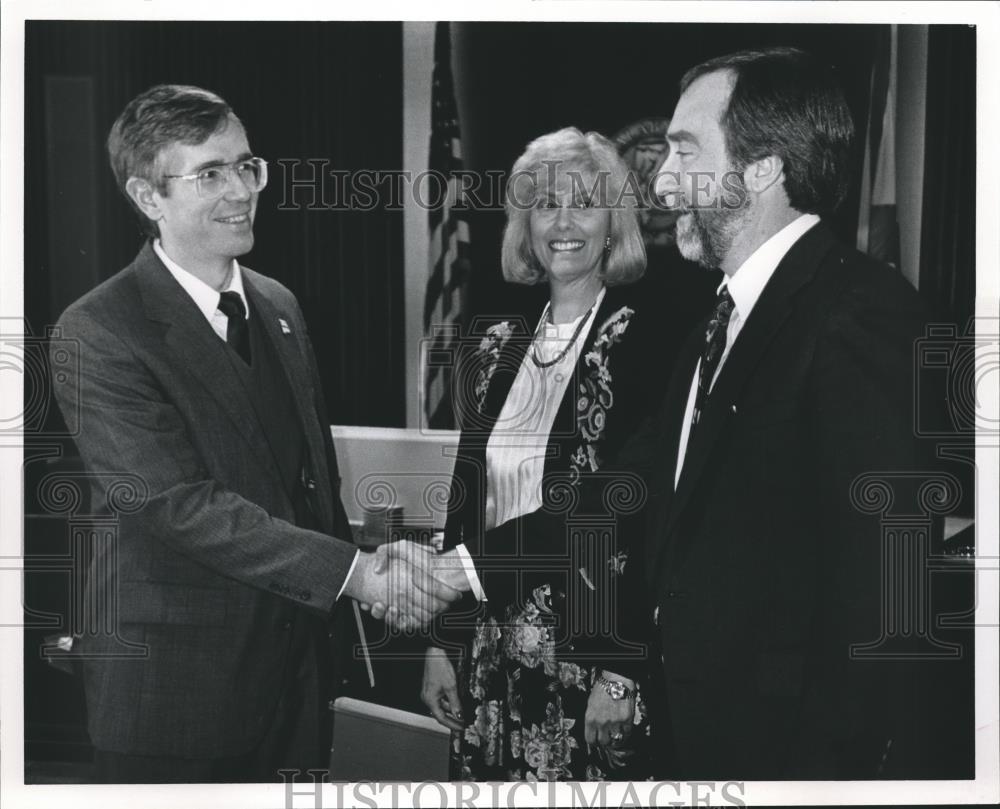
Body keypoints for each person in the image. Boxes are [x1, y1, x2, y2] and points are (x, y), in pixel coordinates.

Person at [49, 84, 464, 784]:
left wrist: (366, 557)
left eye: (247, 166)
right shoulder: (96, 331)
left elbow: (305, 483)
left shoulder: (278, 304)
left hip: (297, 687)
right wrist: (358, 575)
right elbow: (179, 504)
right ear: (149, 196)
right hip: (176, 701)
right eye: (210, 173)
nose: (242, 189)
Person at [614, 47, 945, 778]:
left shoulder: (861, 315)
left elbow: (885, 601)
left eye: (683, 150)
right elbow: (635, 488)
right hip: (696, 738)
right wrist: (463, 566)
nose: (664, 184)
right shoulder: (722, 317)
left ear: (761, 169)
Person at [418, 127, 663, 781]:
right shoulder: (496, 341)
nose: (562, 222)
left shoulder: (648, 344)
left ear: (613, 224)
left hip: (586, 650)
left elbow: (634, 517)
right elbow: (467, 503)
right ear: (523, 226)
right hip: (488, 645)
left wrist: (621, 666)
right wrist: (443, 641)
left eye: (583, 203)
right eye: (545, 204)